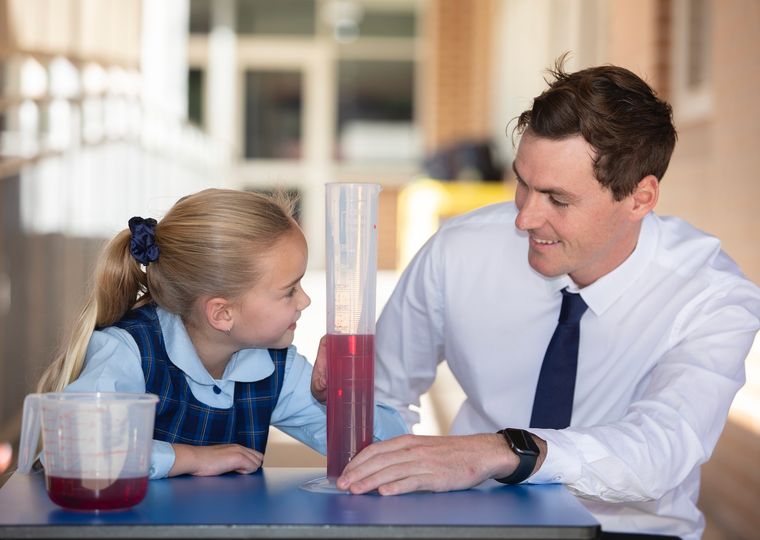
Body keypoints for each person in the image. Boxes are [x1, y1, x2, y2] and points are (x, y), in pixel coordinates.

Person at [332, 58, 760, 539]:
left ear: (640, 198)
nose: (525, 219)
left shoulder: (711, 294)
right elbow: (384, 394)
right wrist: (350, 415)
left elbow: (662, 447)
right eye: (522, 183)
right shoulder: (460, 250)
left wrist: (504, 452)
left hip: (629, 532)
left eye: (558, 199)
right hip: (471, 522)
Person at [37, 188, 407, 479]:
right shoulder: (129, 351)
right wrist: (189, 458)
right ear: (222, 313)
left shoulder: (274, 366)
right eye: (289, 290)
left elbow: (391, 450)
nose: (305, 300)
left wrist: (339, 400)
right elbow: (72, 446)